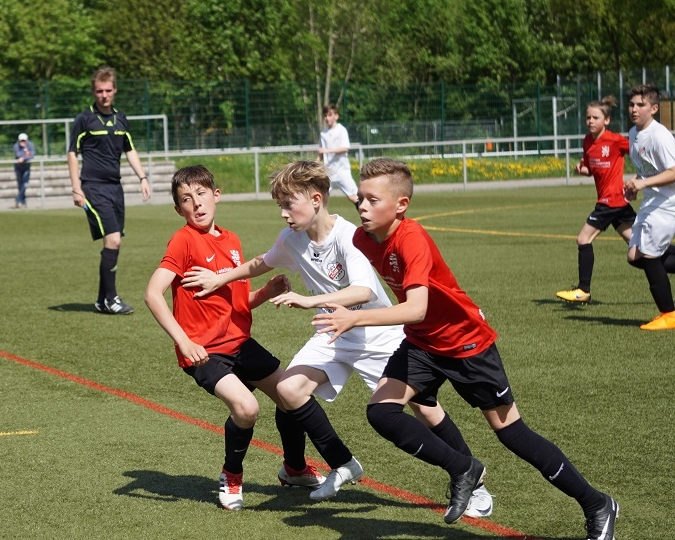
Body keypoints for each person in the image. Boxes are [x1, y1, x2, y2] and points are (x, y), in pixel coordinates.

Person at [314, 158, 618, 538]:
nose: (362, 206)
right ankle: (464, 468)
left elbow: (416, 307)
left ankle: (597, 503)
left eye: (372, 200)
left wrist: (354, 319)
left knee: (511, 433)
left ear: (401, 204)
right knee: (382, 412)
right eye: (361, 198)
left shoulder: (411, 238)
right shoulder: (363, 239)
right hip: (423, 343)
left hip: (466, 344)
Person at [182, 160, 492, 516]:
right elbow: (260, 263)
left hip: (376, 333)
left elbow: (362, 291)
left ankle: (475, 482)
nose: (283, 213)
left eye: (289, 204)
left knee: (424, 408)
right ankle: (342, 464)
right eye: (280, 205)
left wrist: (310, 300)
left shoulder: (349, 237)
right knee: (288, 389)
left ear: (316, 200)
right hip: (333, 332)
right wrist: (220, 279)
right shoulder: (291, 239)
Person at [144, 165, 325, 511]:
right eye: (186, 199)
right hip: (205, 351)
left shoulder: (231, 241)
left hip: (240, 343)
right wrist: (184, 342)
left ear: (216, 195)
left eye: (201, 194)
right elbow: (153, 294)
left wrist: (264, 292)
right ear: (179, 209)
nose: (196, 203)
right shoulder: (184, 240)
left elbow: (236, 302)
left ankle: (294, 468)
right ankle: (231, 475)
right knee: (247, 408)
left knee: (292, 394)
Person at [68, 66, 151, 315]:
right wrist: (76, 188)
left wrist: (143, 177)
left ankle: (101, 300)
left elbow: (129, 149)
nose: (103, 95)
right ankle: (112, 299)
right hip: (93, 188)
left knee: (113, 242)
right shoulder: (84, 119)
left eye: (107, 90)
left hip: (116, 188)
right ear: (93, 92)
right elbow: (72, 153)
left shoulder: (121, 119)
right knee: (113, 239)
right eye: (99, 91)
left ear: (114, 90)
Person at [556, 96, 634, 303]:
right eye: (588, 117)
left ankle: (583, 290)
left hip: (611, 201)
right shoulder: (588, 141)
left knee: (583, 239)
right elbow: (591, 169)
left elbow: (641, 155)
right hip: (616, 204)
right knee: (640, 248)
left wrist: (640, 178)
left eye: (595, 117)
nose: (590, 121)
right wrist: (581, 170)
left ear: (606, 120)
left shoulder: (615, 140)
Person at [623, 83, 675, 330]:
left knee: (650, 254)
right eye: (632, 104)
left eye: (640, 105)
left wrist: (643, 184)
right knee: (634, 256)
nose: (634, 109)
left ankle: (669, 314)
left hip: (668, 203)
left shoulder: (659, 135)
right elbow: (647, 169)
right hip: (651, 201)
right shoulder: (634, 133)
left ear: (654, 109)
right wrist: (635, 184)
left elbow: (673, 171)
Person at [317, 104, 358, 210]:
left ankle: (367, 216)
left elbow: (345, 148)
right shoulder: (323, 133)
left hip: (342, 171)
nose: (327, 118)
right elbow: (321, 152)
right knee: (320, 198)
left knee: (353, 197)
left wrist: (327, 151)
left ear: (336, 116)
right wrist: (315, 163)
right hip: (328, 172)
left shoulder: (341, 130)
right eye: (325, 116)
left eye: (329, 115)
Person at [12, 132, 35, 209]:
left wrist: (24, 158)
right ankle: (23, 203)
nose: (22, 142)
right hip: (18, 167)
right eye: (21, 141)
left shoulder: (30, 145)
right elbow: (18, 155)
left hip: (26, 167)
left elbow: (32, 155)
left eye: (24, 141)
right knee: (20, 185)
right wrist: (24, 154)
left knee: (25, 185)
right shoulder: (16, 146)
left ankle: (17, 200)